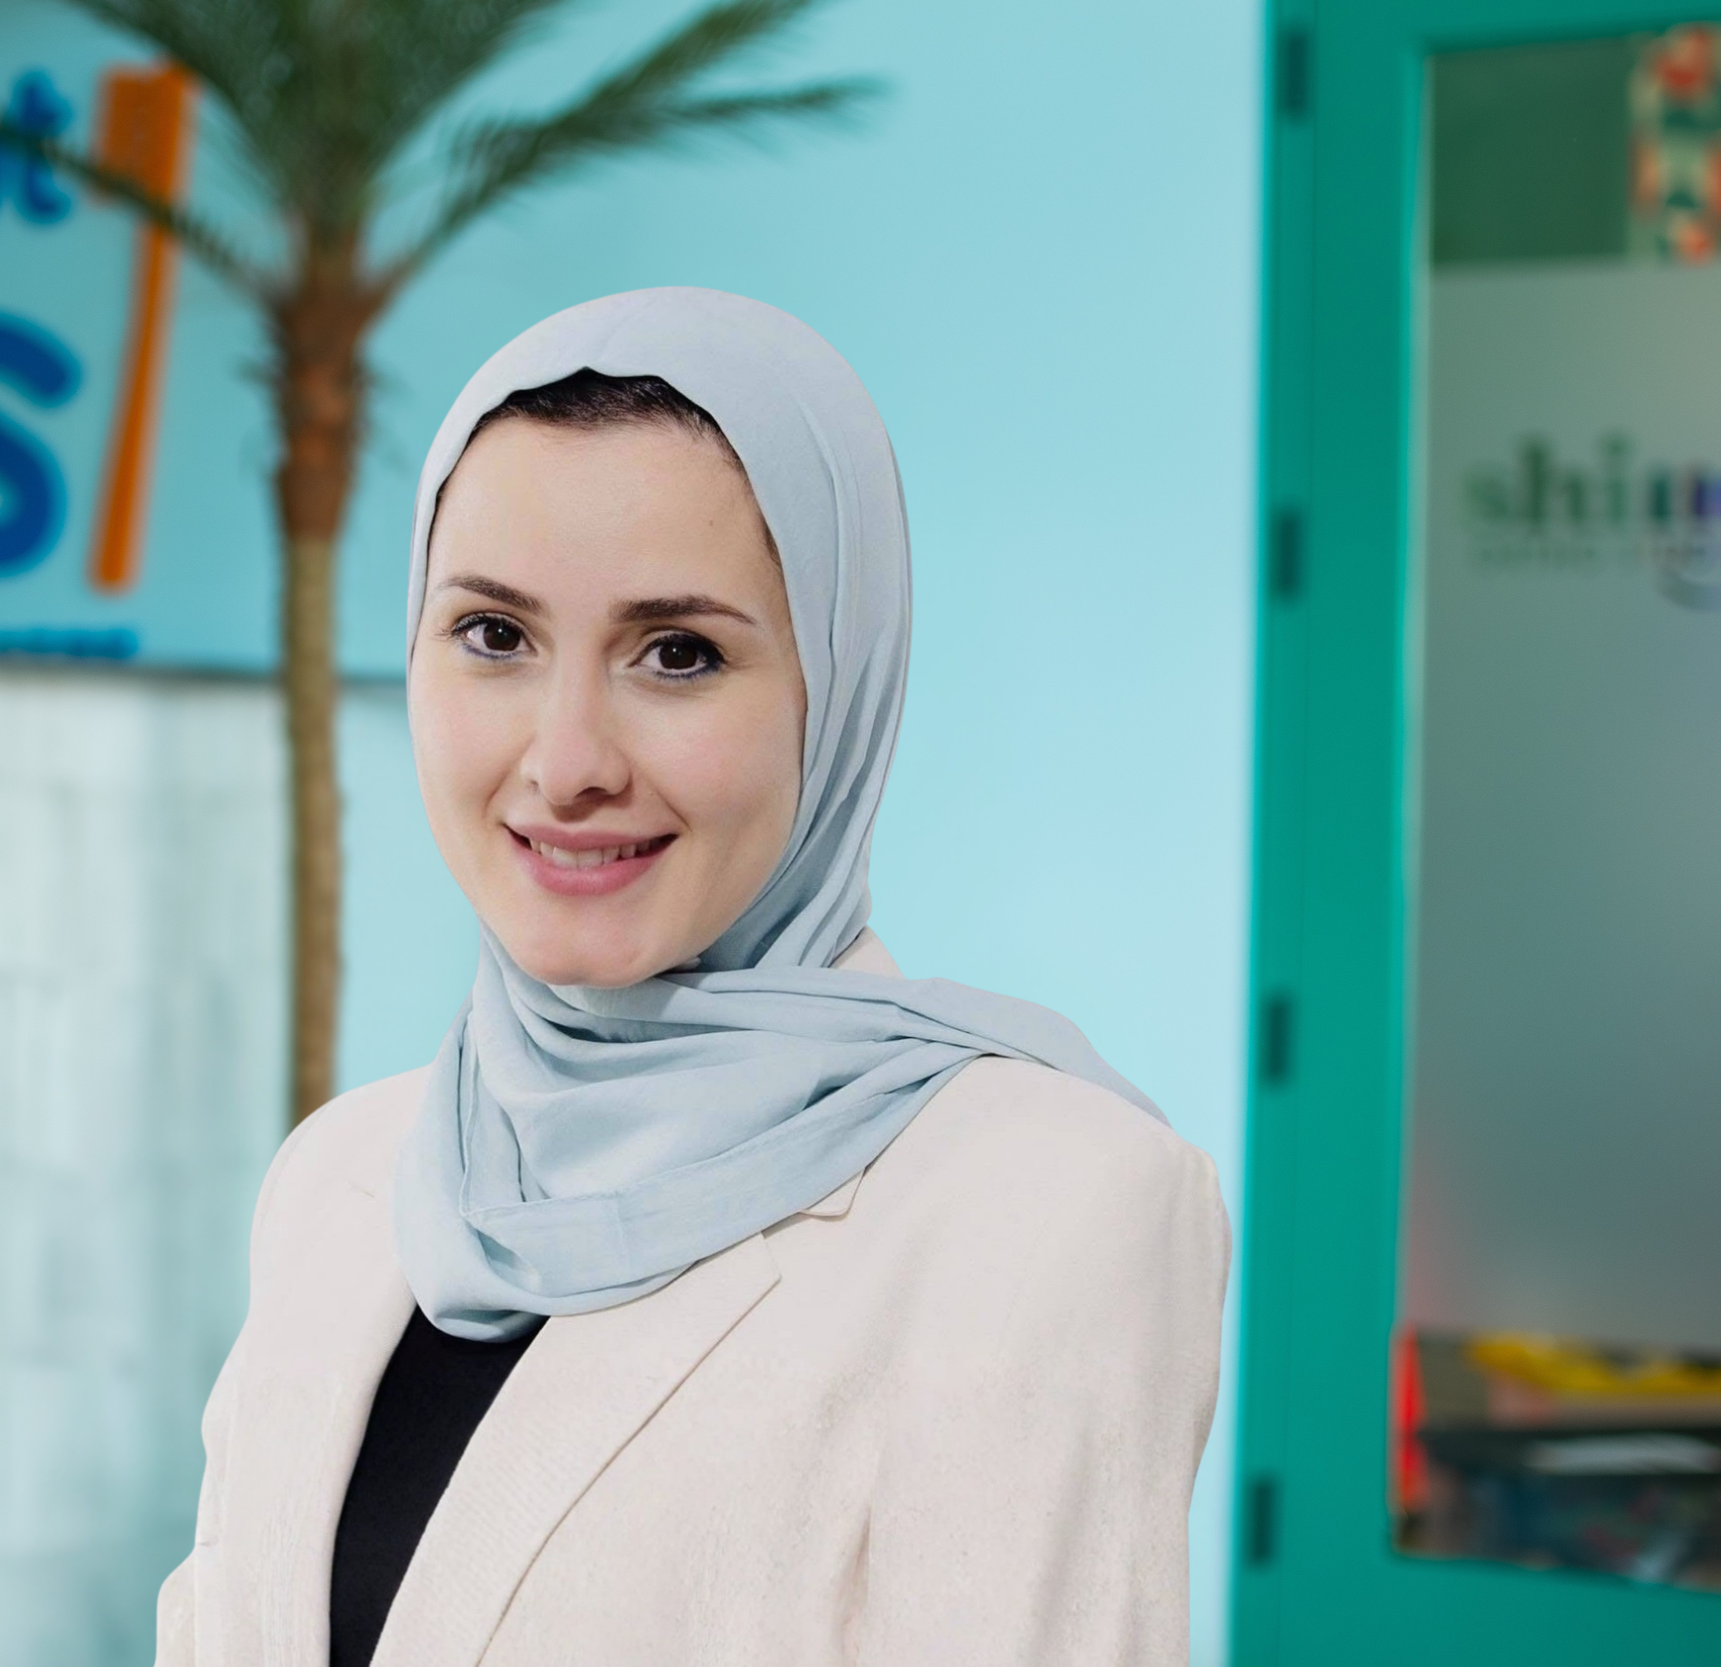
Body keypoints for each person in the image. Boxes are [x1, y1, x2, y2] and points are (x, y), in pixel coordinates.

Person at [153, 288, 1229, 1667]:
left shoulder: (1047, 1207)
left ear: (835, 690)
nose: (566, 760)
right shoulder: (346, 1179)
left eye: (679, 653)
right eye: (495, 634)